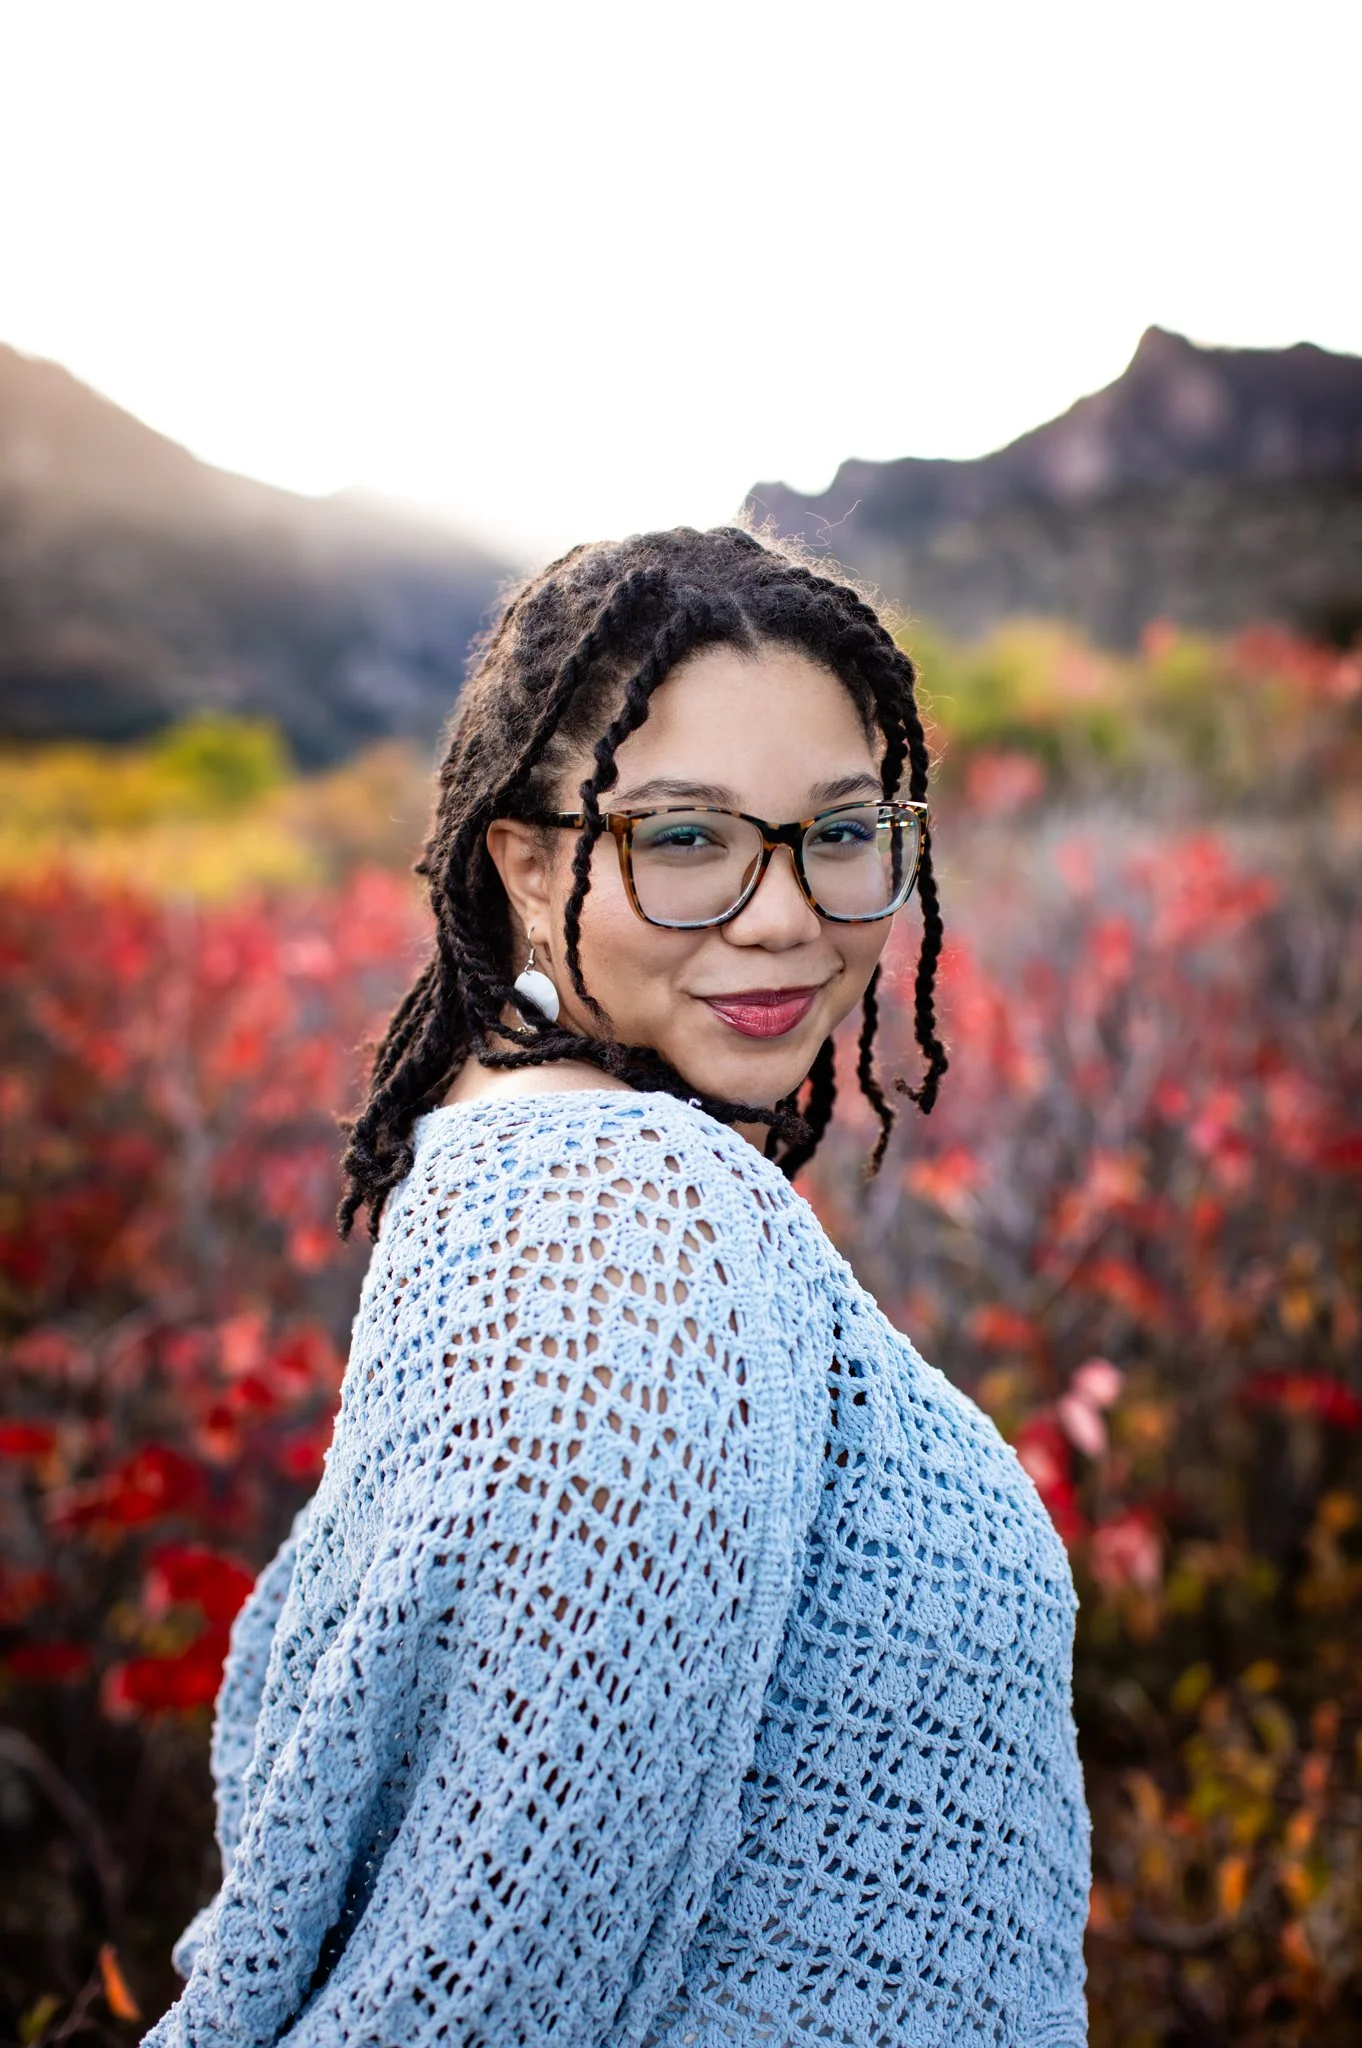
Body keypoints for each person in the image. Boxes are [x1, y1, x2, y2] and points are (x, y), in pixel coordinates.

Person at [144, 525, 1091, 2047]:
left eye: (843, 831)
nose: (786, 913)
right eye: (686, 838)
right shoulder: (624, 1222)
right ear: (523, 864)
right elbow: (480, 1976)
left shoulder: (517, 1170)